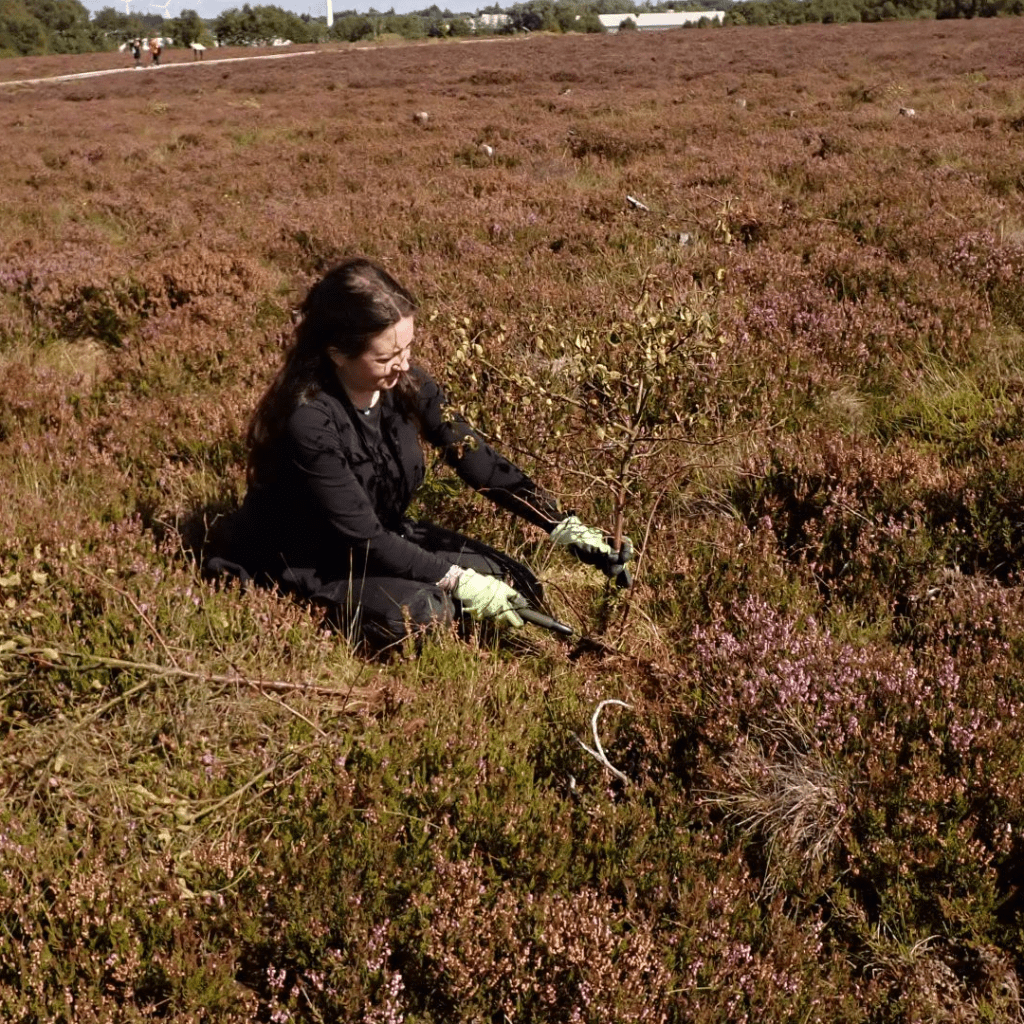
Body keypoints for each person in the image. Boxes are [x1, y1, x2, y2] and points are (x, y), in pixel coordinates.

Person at [222, 258, 633, 650]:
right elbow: (363, 538)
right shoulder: (309, 421)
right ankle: (310, 608)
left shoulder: (406, 383)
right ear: (336, 353)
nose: (403, 365)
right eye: (385, 357)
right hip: (315, 561)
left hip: (385, 536)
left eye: (407, 349)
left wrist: (562, 524)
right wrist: (457, 579)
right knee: (425, 613)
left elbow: (476, 458)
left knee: (515, 580)